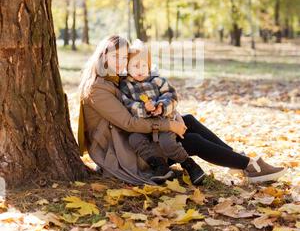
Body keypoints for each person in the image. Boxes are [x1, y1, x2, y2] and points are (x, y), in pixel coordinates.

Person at [78, 35, 286, 186]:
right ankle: (249, 167)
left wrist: (167, 112)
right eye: (115, 57)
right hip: (124, 154)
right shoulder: (97, 89)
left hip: (128, 141)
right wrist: (169, 125)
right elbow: (130, 124)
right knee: (191, 140)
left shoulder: (113, 79)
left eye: (124, 58)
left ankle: (237, 159)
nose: (120, 62)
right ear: (102, 55)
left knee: (188, 120)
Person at [119, 39, 205, 185]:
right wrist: (143, 109)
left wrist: (161, 106)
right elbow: (128, 104)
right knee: (134, 139)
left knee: (167, 142)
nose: (140, 70)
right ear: (127, 67)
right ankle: (160, 167)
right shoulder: (126, 86)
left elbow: (171, 96)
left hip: (164, 122)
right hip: (142, 125)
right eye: (135, 66)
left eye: (144, 65)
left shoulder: (157, 81)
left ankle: (189, 165)